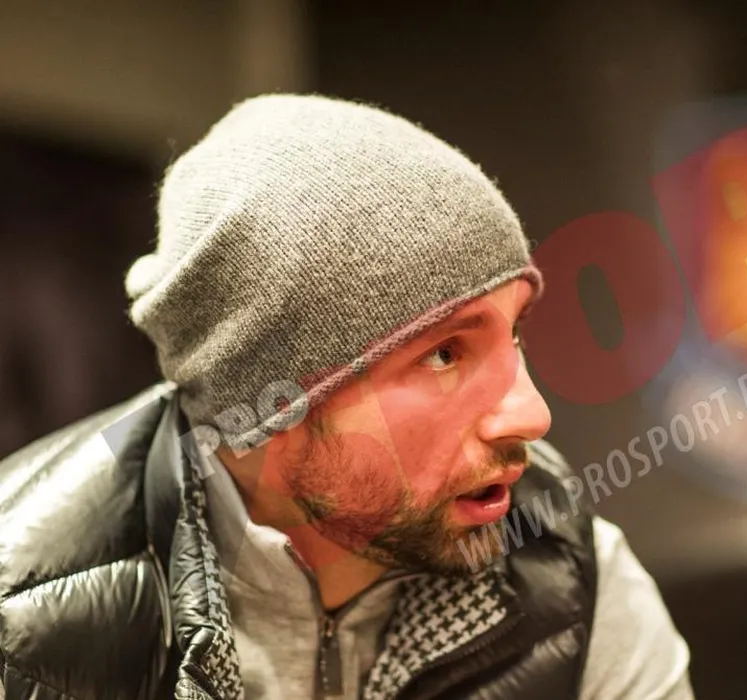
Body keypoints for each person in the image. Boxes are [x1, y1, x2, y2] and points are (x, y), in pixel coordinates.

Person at [0, 95, 693, 699]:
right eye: (445, 352)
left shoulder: (576, 577)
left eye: (512, 334)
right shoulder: (21, 631)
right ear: (273, 402)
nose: (532, 415)